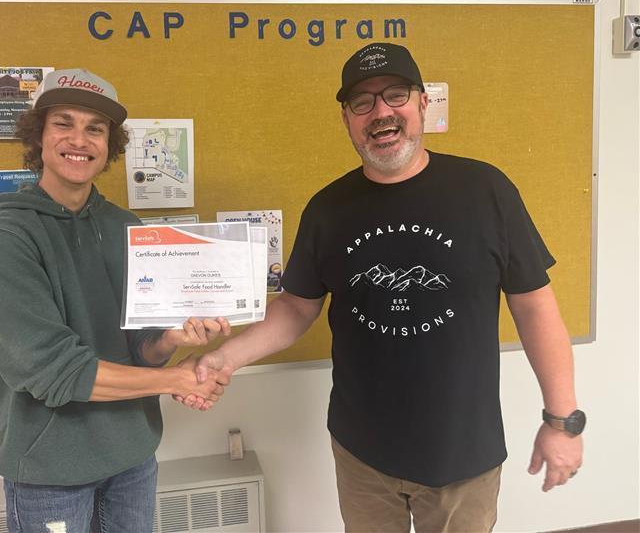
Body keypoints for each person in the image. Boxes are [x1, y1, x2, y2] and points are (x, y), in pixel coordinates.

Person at [185, 44, 585, 532]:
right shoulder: (328, 208)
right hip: (362, 454)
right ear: (347, 119)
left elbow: (535, 307)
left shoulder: (485, 191)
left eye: (396, 95)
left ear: (422, 103)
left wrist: (563, 421)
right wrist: (223, 359)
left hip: (462, 454)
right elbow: (296, 307)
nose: (380, 112)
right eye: (363, 102)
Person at [0, 68, 230, 533]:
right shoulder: (6, 237)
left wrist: (170, 339)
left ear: (110, 145)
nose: (79, 140)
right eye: (63, 123)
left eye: (95, 128)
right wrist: (175, 379)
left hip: (132, 456)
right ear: (39, 136)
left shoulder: (126, 228)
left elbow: (140, 347)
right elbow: (49, 369)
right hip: (51, 471)